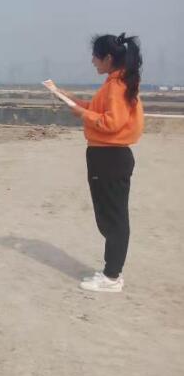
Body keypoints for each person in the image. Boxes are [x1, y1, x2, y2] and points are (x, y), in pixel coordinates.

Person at [58, 34, 144, 293]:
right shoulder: (114, 83)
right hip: (108, 156)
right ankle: (112, 272)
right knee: (110, 216)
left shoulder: (116, 86)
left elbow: (111, 122)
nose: (93, 61)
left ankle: (112, 276)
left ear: (108, 58)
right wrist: (73, 101)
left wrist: (82, 114)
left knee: (113, 218)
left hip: (110, 157)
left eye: (95, 56)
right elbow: (99, 110)